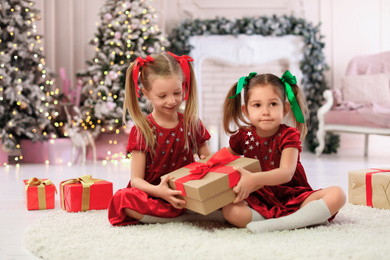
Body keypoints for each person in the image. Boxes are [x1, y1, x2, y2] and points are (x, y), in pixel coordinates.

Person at [221, 71, 346, 233]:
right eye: (257, 105)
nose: (266, 111)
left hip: (294, 197)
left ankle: (278, 225)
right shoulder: (244, 136)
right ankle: (298, 220)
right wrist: (208, 162)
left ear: (285, 108)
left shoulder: (288, 135)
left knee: (338, 194)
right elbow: (225, 159)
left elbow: (286, 173)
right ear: (246, 111)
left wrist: (254, 178)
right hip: (259, 199)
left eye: (273, 104)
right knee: (230, 210)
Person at [108, 52, 223, 226]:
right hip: (154, 194)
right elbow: (137, 181)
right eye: (162, 96)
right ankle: (186, 216)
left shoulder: (191, 123)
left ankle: (181, 213)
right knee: (122, 199)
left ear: (183, 86)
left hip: (187, 192)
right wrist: (160, 192)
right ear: (146, 93)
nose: (172, 101)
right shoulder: (142, 130)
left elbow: (208, 160)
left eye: (177, 93)